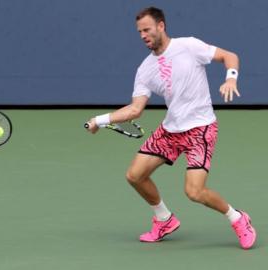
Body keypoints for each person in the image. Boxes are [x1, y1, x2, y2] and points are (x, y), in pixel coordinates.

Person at [86, 6, 256, 249]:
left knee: (195, 192)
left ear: (161, 26)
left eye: (147, 29)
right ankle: (164, 219)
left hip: (200, 129)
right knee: (135, 175)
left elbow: (230, 56)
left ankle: (238, 218)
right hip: (170, 130)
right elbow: (135, 109)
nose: (143, 35)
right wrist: (100, 120)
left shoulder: (188, 46)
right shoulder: (145, 69)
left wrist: (231, 78)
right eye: (139, 32)